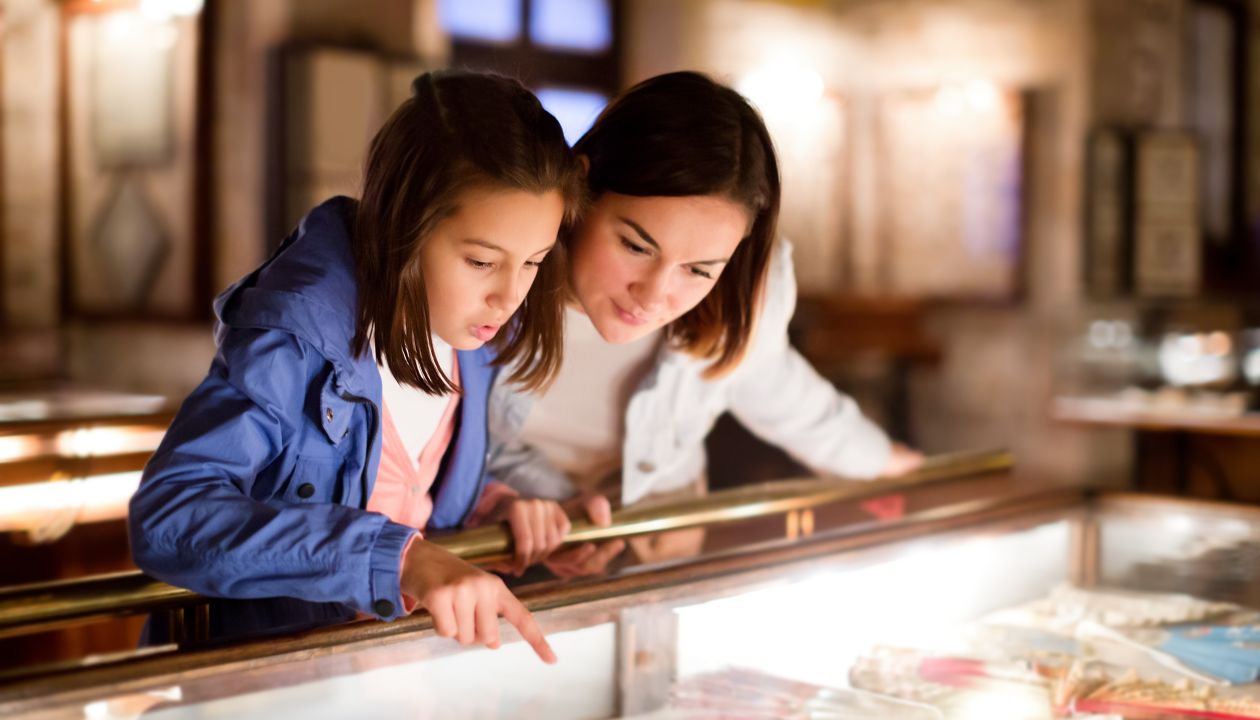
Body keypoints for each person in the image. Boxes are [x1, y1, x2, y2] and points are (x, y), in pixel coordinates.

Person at [128, 71, 585, 660]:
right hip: (264, 682)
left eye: (533, 263)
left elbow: (407, 494)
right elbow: (171, 517)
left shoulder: (476, 341)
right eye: (479, 261)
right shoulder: (296, 342)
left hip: (382, 672)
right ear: (404, 225)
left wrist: (499, 509)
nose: (510, 296)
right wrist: (396, 559)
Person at [487, 71, 923, 573]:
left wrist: (890, 465)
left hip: (657, 559)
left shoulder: (741, 295)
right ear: (582, 186)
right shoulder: (498, 271)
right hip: (501, 552)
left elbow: (782, 393)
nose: (654, 295)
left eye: (698, 270)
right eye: (635, 245)